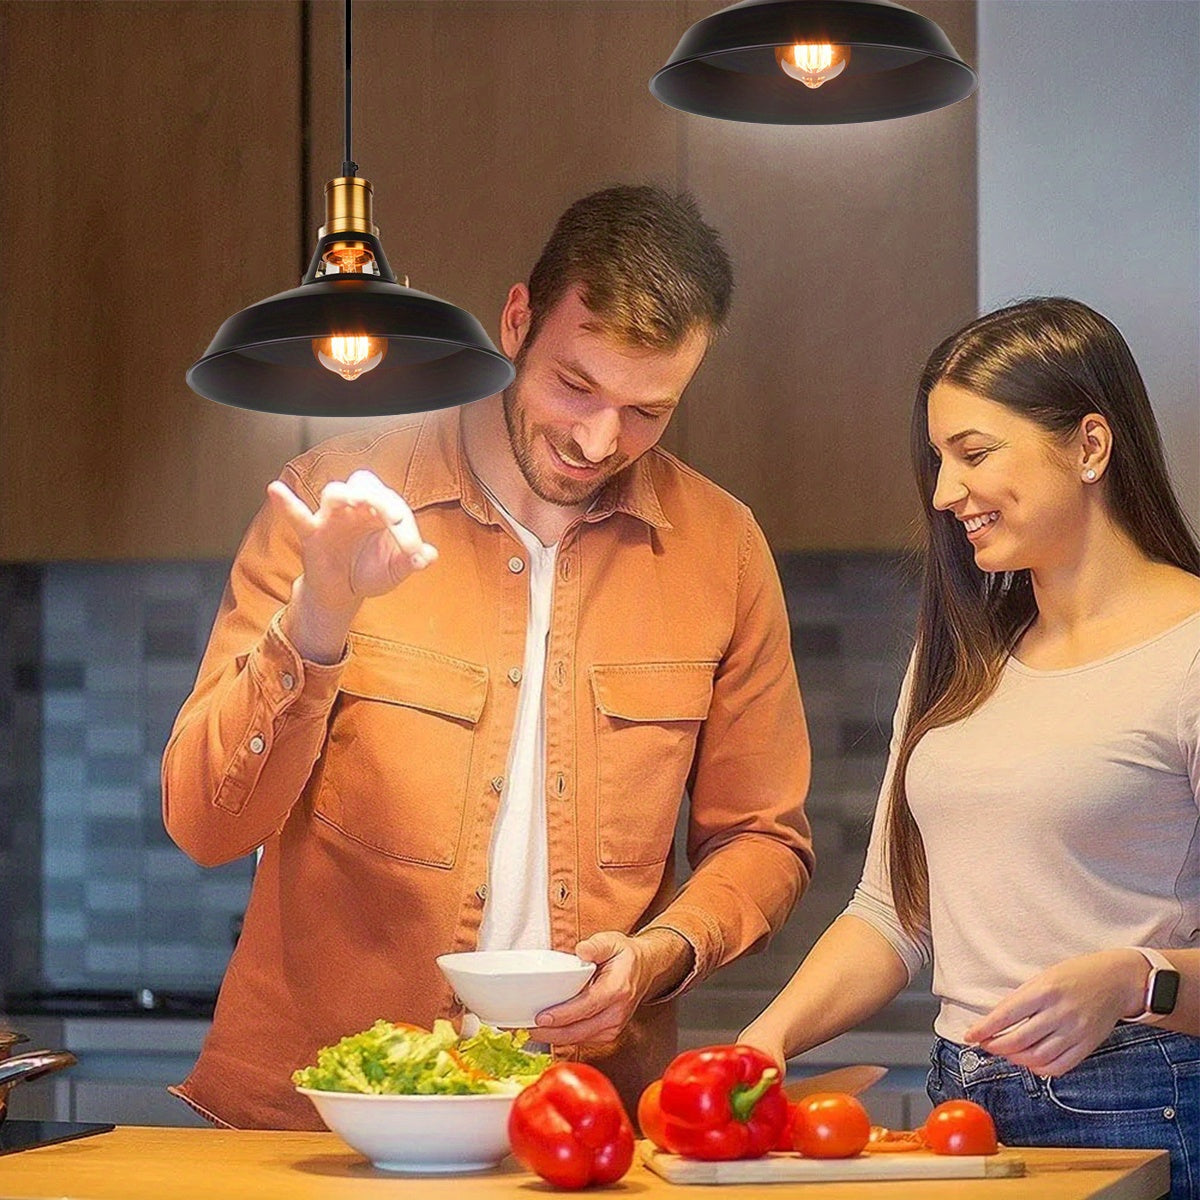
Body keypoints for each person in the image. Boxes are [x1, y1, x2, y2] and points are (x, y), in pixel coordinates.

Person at [162, 184, 814, 1129]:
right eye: (576, 386)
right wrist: (321, 616)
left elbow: (764, 838)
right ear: (517, 321)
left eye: (647, 412)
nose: (599, 440)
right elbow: (201, 825)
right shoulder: (333, 502)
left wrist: (661, 953)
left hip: (580, 1128)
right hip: (316, 1127)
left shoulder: (723, 548)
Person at [740, 297, 1200, 1199]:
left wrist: (1134, 978)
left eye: (973, 452)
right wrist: (768, 1039)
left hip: (1142, 1108)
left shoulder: (1189, 650)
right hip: (966, 1111)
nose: (946, 492)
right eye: (939, 458)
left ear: (1090, 447)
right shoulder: (962, 652)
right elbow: (894, 912)